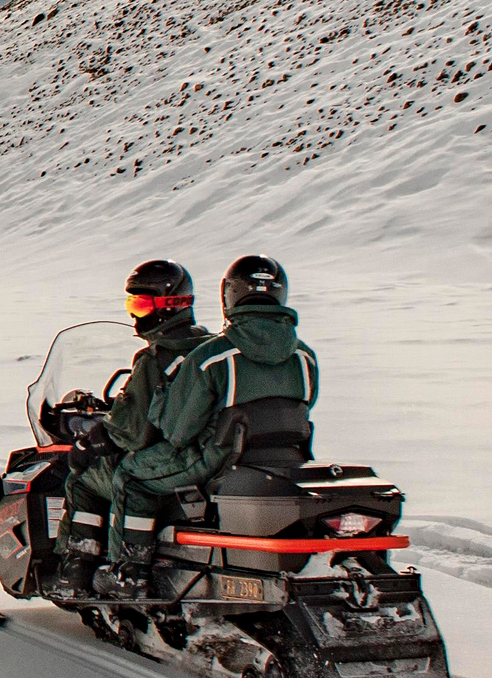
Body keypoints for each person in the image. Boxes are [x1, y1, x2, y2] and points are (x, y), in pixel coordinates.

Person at [96, 254, 318, 600]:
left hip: (218, 458)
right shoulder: (305, 356)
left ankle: (128, 572)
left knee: (130, 476)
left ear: (228, 296)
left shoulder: (212, 356)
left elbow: (178, 430)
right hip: (287, 459)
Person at [55, 260, 213, 598]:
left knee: (85, 479)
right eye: (131, 304)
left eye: (139, 304)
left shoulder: (157, 357)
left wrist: (90, 442)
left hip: (173, 458)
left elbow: (131, 432)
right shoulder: (211, 348)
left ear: (168, 306)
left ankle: (85, 569)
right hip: (208, 452)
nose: (133, 315)